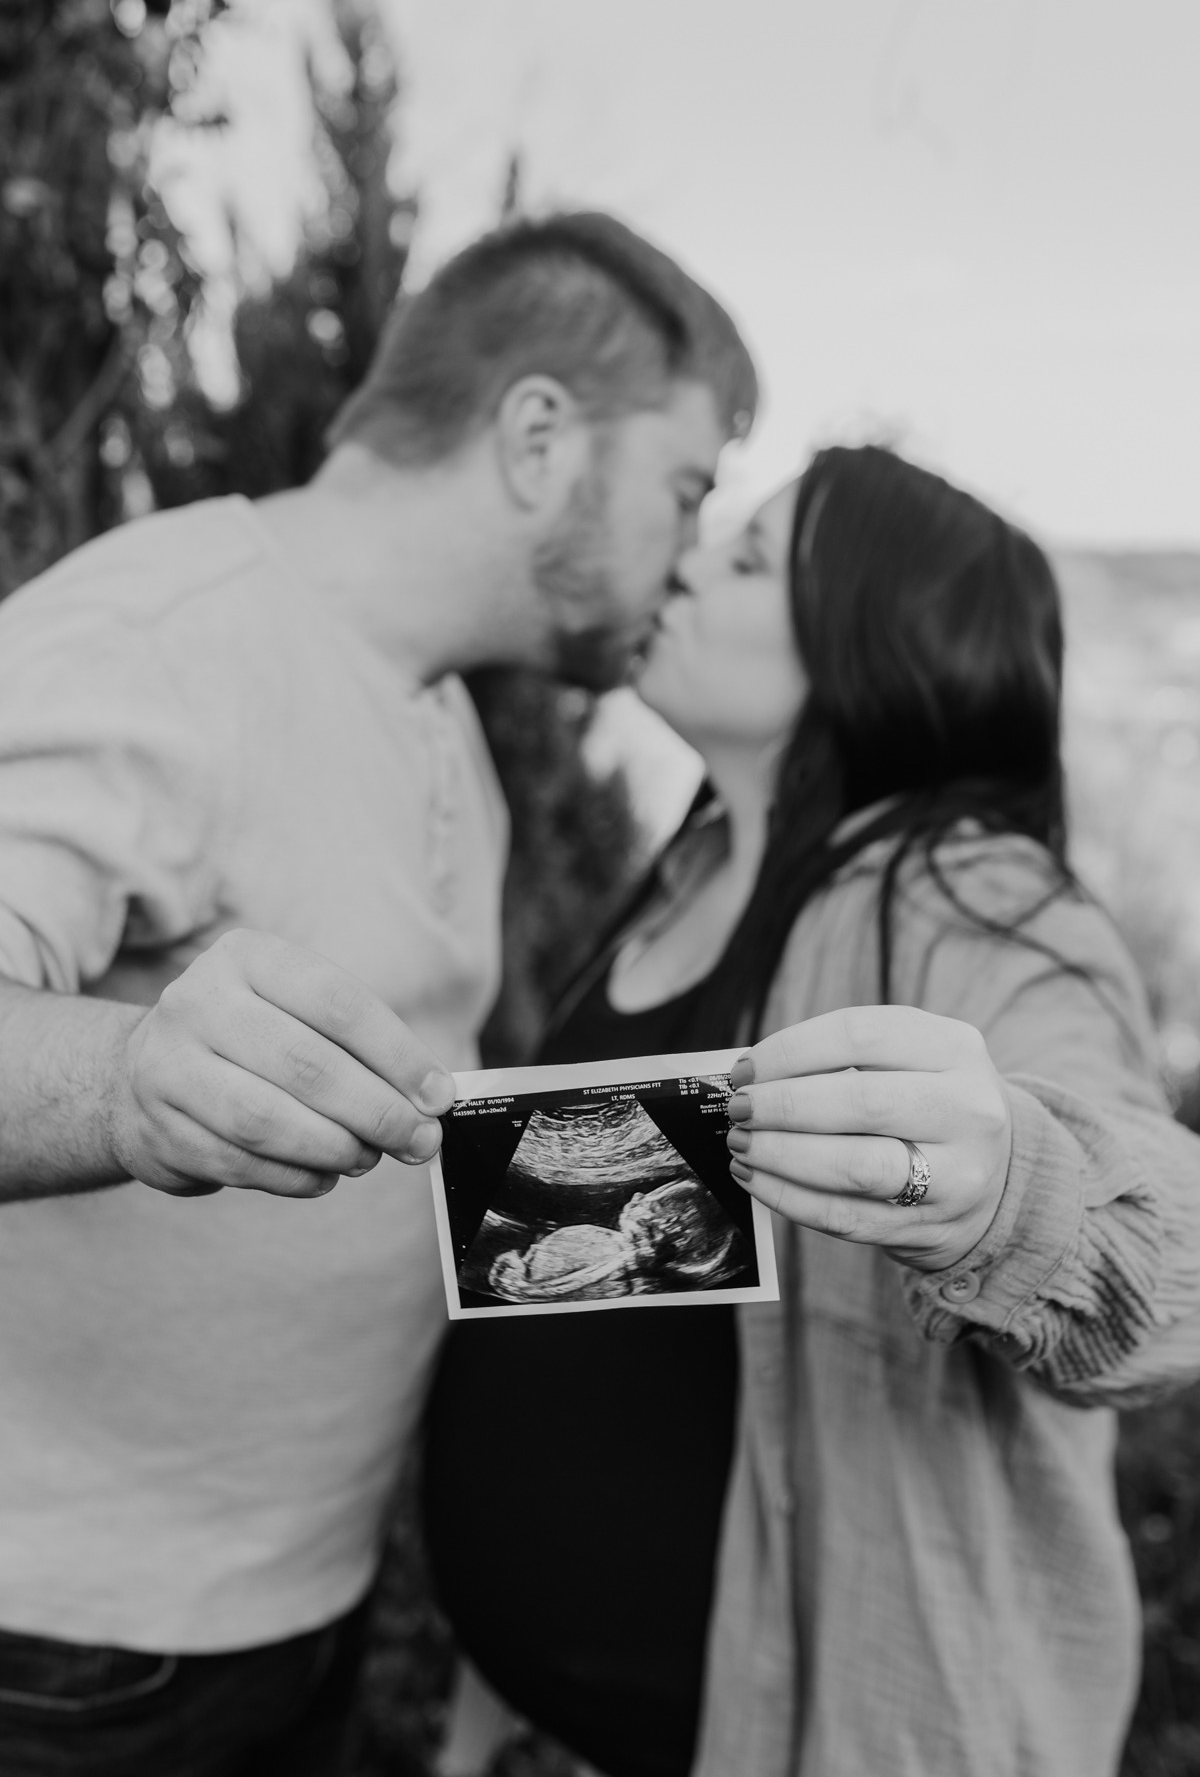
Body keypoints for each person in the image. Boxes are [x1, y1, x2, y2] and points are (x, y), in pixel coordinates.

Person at [0, 212, 758, 1776]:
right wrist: (137, 1072)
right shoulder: (156, 640)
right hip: (71, 1651)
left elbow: (415, 1133)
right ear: (540, 438)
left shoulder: (437, 718)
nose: (690, 547)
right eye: (686, 487)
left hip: (302, 1608)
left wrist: (755, 1177)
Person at [422, 445, 1200, 1777]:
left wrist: (1011, 1188)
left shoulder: (982, 906)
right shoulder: (697, 865)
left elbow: (1173, 1264)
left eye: (744, 556)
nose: (687, 562)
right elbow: (579, 1298)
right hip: (540, 1721)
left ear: (870, 644)